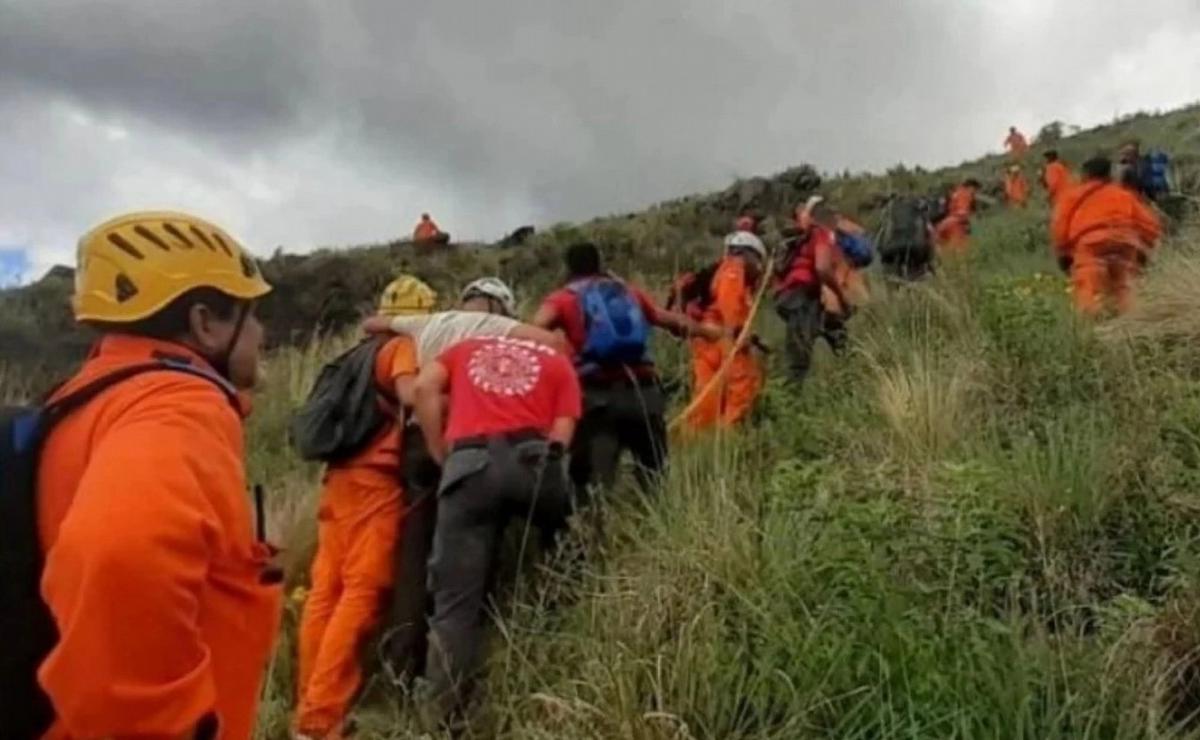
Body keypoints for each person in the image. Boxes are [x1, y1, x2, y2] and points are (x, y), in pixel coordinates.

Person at [35, 212, 280, 739]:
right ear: (204, 323)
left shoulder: (85, 400)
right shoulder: (179, 404)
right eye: (251, 312)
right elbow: (119, 551)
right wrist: (165, 726)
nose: (261, 332)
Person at [357, 277, 568, 683]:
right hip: (467, 443)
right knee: (473, 551)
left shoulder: (428, 323)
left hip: (416, 443)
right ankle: (474, 646)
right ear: (499, 307)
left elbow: (371, 326)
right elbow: (551, 342)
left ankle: (404, 666)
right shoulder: (494, 328)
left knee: (415, 556)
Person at [412, 333, 581, 720]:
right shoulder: (560, 363)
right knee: (570, 551)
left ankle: (442, 719)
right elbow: (562, 437)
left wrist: (442, 455)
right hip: (532, 460)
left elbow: (423, 388)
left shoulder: (468, 348)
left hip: (469, 461)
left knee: (455, 605)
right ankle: (559, 674)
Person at [295, 276, 436, 739]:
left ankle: (310, 698)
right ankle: (322, 717)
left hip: (337, 482)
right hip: (376, 483)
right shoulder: (401, 348)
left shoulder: (351, 356)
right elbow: (413, 394)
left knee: (324, 591)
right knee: (363, 590)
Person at [532, 242, 724, 494]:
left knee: (595, 486)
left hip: (597, 400)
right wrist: (707, 332)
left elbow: (533, 330)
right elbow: (668, 320)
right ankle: (661, 523)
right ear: (599, 263)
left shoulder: (563, 299)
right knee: (654, 476)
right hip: (644, 395)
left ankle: (595, 529)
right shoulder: (627, 292)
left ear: (568, 268)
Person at [1051, 155, 1163, 316]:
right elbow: (1151, 226)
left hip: (1091, 245)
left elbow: (1060, 225)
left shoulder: (1071, 196)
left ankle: (1092, 331)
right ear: (1109, 174)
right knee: (1124, 288)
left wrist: (1062, 253)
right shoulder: (1124, 195)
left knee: (1089, 290)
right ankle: (1132, 325)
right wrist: (1145, 250)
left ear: (1085, 174)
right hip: (1125, 243)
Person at [685, 231, 766, 430]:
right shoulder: (734, 268)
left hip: (707, 340)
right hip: (723, 340)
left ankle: (698, 443)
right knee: (743, 388)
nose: (759, 269)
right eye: (758, 262)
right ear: (749, 254)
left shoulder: (722, 271)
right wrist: (737, 338)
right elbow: (729, 307)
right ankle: (729, 437)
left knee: (707, 398)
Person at [774, 199, 851, 384]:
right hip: (803, 296)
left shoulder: (799, 240)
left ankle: (850, 371)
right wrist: (841, 296)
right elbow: (822, 269)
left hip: (787, 297)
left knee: (829, 331)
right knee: (798, 363)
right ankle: (791, 403)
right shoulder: (820, 234)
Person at [877, 194, 936, 283]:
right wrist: (930, 259)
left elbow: (881, 236)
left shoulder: (890, 211)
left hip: (892, 249)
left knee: (892, 273)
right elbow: (931, 234)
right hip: (917, 248)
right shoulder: (920, 213)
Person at [934, 179, 980, 253]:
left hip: (946, 223)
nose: (975, 192)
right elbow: (962, 213)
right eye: (975, 190)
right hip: (956, 224)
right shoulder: (965, 194)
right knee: (961, 252)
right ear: (971, 187)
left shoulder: (957, 192)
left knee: (946, 248)